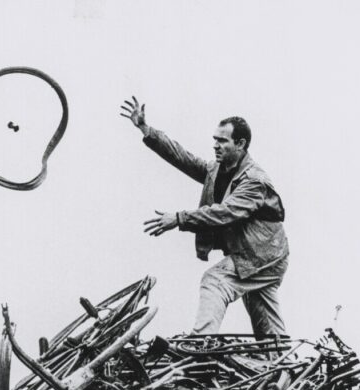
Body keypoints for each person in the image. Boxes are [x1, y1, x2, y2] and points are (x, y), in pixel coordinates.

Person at [120, 97, 289, 338]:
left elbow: (226, 212)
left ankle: (200, 342)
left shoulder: (254, 181)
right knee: (265, 317)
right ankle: (280, 361)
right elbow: (183, 158)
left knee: (215, 281)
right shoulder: (217, 170)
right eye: (215, 140)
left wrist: (179, 218)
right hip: (257, 256)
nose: (216, 146)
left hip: (263, 256)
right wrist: (146, 130)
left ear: (240, 144)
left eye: (222, 141)